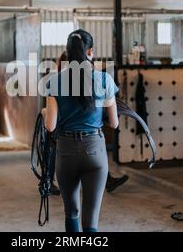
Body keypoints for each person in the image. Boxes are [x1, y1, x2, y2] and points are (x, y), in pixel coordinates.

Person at [42, 29, 119, 232]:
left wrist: (44, 113)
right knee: (91, 219)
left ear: (67, 53)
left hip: (66, 151)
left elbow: (50, 126)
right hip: (95, 149)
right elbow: (114, 123)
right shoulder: (105, 80)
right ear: (90, 51)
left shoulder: (54, 82)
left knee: (71, 212)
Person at [47, 52, 128, 196]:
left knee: (55, 146)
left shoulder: (56, 81)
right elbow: (114, 123)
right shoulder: (94, 80)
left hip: (65, 135)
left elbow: (50, 123)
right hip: (86, 137)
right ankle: (48, 179)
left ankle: (47, 180)